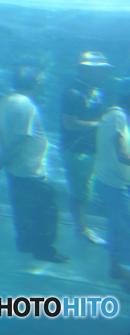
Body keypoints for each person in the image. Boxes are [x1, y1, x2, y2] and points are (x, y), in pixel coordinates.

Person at [0, 67, 68, 263]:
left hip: (16, 169)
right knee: (45, 212)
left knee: (24, 210)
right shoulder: (27, 106)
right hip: (30, 169)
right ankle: (45, 251)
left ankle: (26, 245)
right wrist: (5, 158)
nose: (42, 86)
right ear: (35, 84)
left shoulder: (6, 100)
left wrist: (3, 156)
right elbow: (20, 139)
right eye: (40, 82)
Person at [61, 51, 113, 245]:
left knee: (87, 190)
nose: (104, 74)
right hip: (77, 151)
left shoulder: (95, 91)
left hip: (92, 149)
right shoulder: (73, 93)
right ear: (84, 70)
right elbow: (69, 123)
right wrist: (99, 125)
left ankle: (82, 226)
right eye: (99, 70)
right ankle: (81, 228)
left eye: (104, 70)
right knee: (81, 193)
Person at [95, 79, 130, 283]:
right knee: (125, 232)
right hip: (113, 185)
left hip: (116, 183)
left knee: (118, 228)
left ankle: (115, 269)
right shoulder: (117, 116)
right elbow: (121, 155)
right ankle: (127, 277)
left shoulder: (121, 117)